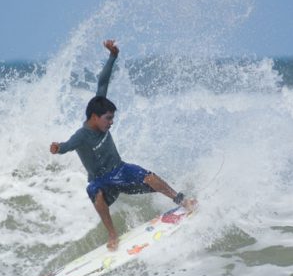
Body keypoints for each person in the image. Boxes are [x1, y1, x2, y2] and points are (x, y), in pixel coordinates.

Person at [50, 40, 195, 251]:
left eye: (111, 118)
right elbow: (66, 146)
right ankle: (112, 235)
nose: (111, 122)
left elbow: (102, 81)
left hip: (121, 170)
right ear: (94, 117)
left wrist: (113, 56)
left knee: (150, 177)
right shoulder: (81, 136)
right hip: (102, 183)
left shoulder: (100, 104)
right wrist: (57, 148)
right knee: (94, 191)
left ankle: (181, 200)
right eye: (108, 119)